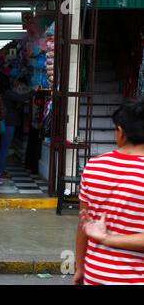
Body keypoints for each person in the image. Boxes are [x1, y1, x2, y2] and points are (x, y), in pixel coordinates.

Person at [74, 98, 144, 285]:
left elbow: (83, 224)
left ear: (121, 133)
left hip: (96, 274)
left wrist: (80, 268)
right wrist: (107, 239)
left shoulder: (94, 166)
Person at [0, 76, 39, 183]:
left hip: (3, 123)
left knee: (1, 147)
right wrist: (34, 90)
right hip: (8, 123)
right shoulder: (7, 93)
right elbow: (22, 98)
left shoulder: (1, 93)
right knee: (4, 148)